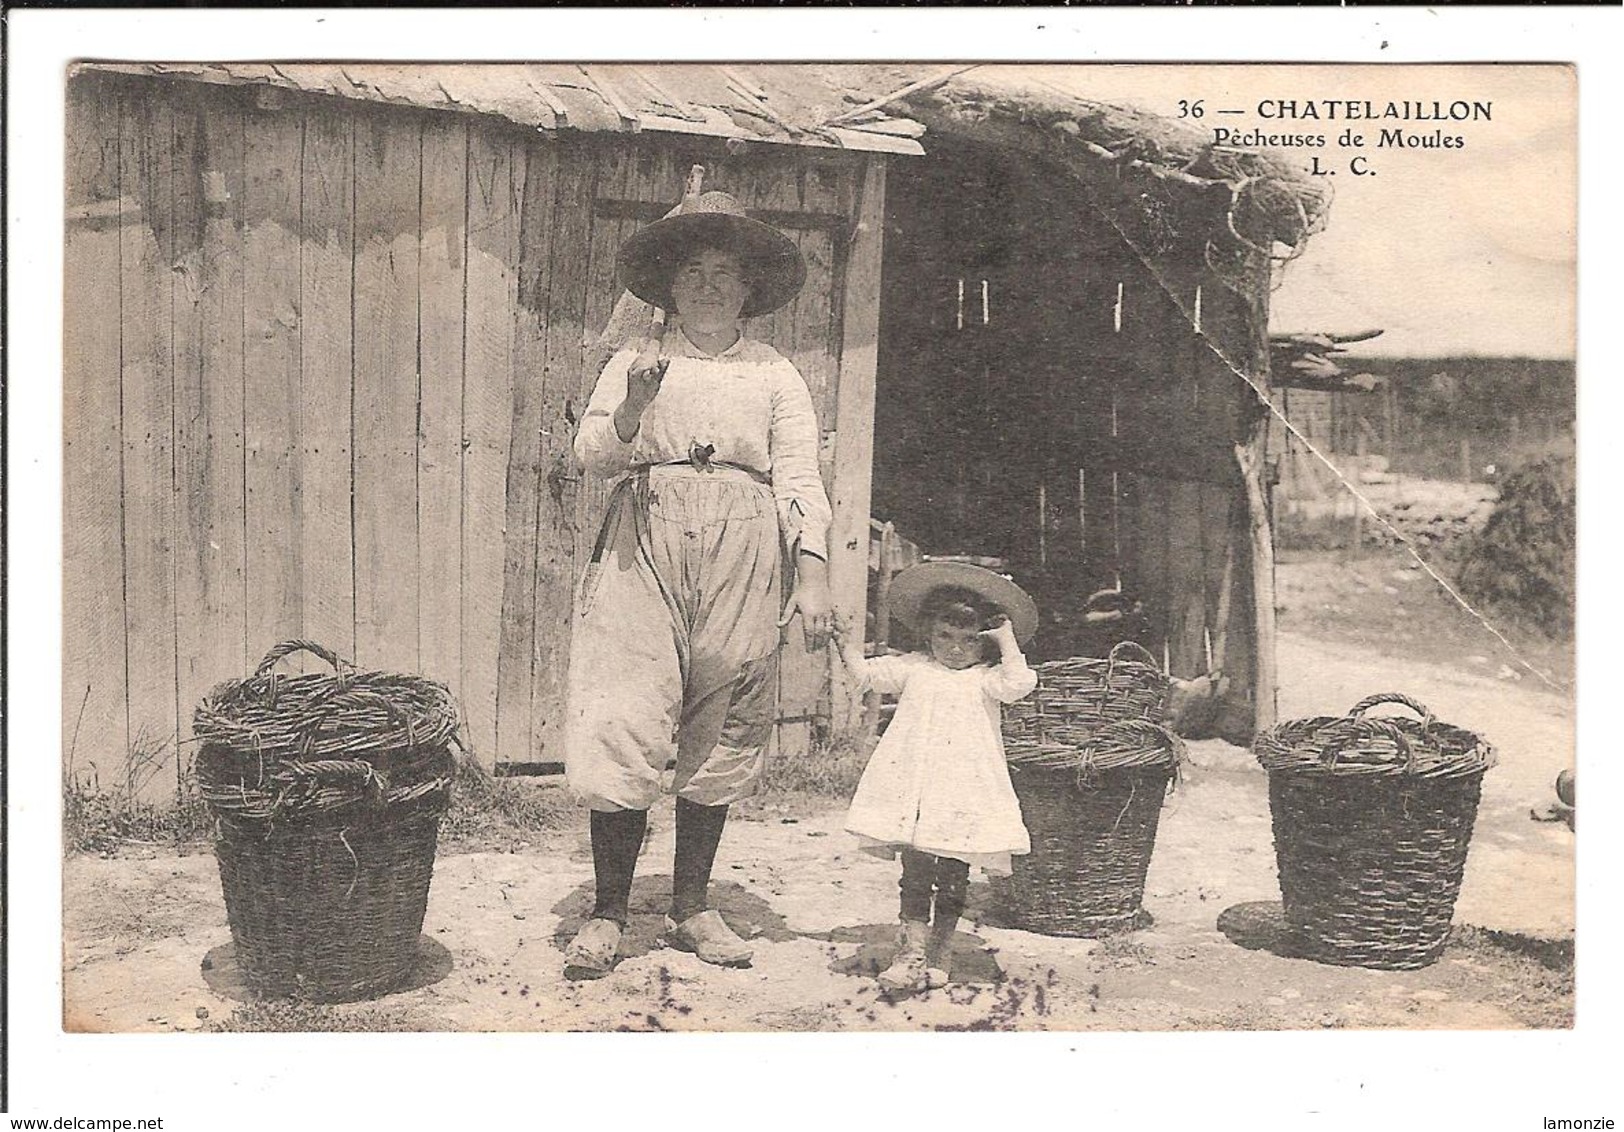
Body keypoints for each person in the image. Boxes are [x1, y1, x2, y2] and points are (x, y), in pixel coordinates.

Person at [561, 191, 832, 979]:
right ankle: (609, 914)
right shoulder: (634, 363)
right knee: (624, 707)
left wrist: (810, 572)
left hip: (744, 536)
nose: (709, 286)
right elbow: (590, 456)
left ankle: (691, 909)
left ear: (748, 290)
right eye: (694, 273)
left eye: (725, 274)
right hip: (645, 529)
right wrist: (634, 410)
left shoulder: (774, 372)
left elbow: (799, 474)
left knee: (725, 712)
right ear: (670, 289)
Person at [833, 561, 1039, 996]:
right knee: (915, 871)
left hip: (962, 794)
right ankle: (910, 950)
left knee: (953, 873)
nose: (956, 649)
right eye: (945, 637)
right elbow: (865, 673)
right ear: (927, 633)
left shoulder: (988, 681)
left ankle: (941, 947)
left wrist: (1006, 640)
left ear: (983, 644)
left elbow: (1020, 683)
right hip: (916, 792)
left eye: (968, 640)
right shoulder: (914, 668)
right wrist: (842, 639)